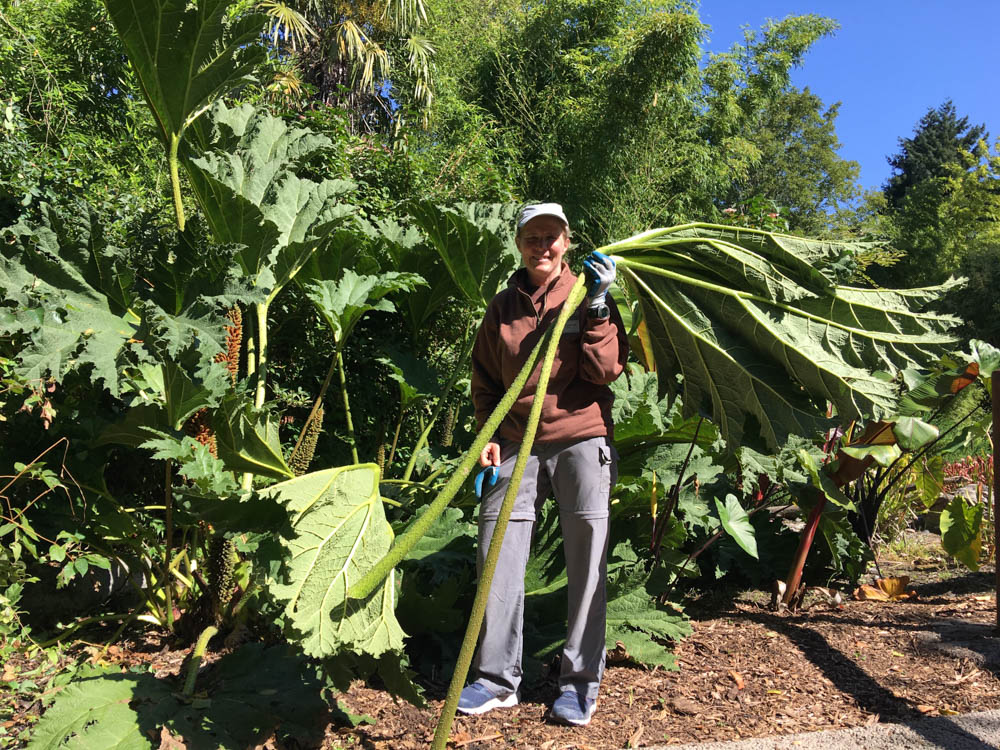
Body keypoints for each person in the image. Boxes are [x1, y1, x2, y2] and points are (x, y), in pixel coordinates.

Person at [458, 202, 628, 726]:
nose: (543, 246)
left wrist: (598, 305)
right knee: (497, 552)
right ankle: (495, 678)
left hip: (580, 435)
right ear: (520, 244)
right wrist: (486, 435)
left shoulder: (586, 293)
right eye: (533, 237)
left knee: (587, 555)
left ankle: (579, 683)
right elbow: (485, 378)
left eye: (552, 236)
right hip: (515, 440)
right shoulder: (502, 307)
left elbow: (605, 372)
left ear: (567, 241)